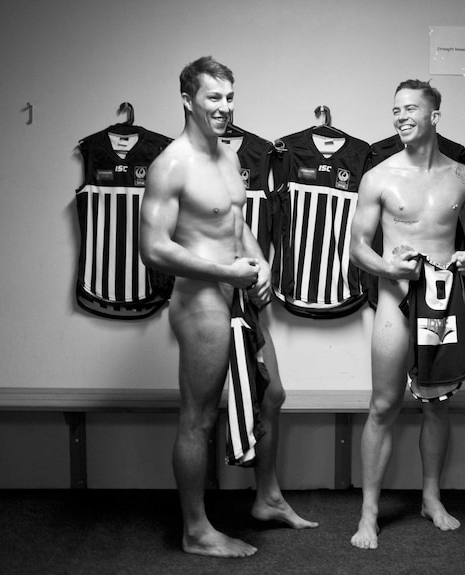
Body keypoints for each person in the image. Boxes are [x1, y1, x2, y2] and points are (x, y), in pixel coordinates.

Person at [139, 56, 317, 558]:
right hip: (200, 300)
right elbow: (152, 248)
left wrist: (259, 266)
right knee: (198, 418)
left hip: (238, 289)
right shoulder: (171, 164)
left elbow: (233, 225)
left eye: (230, 97)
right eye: (213, 97)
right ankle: (196, 531)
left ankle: (267, 498)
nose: (224, 107)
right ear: (187, 100)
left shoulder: (225, 155)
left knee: (272, 395)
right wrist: (227, 273)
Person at [348, 79, 465, 550]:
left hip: (442, 302)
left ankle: (431, 497)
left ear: (434, 116)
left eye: (410, 108)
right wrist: (387, 266)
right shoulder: (379, 176)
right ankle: (368, 513)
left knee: (437, 404)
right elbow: (356, 247)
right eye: (395, 110)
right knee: (383, 406)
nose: (401, 116)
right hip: (395, 300)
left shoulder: (463, 177)